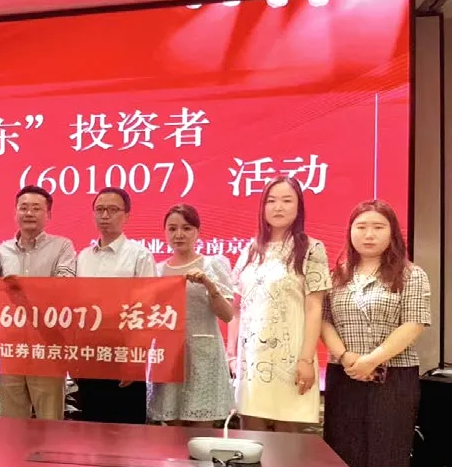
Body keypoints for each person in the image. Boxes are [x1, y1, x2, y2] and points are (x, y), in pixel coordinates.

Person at [321, 200, 431, 467]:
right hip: (344, 374)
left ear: (392, 232)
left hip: (394, 377)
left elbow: (414, 323)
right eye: (361, 227)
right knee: (342, 456)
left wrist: (371, 360)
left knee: (387, 457)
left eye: (378, 227)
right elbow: (324, 321)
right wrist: (346, 357)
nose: (369, 234)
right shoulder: (336, 275)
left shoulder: (411, 274)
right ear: (350, 232)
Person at [228, 175, 329, 432]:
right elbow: (236, 308)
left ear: (299, 207)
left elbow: (314, 308)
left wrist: (306, 360)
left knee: (288, 445)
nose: (278, 207)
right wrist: (231, 355)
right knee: (250, 443)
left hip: (291, 363)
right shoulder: (251, 249)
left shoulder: (311, 249)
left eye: (287, 200)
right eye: (271, 201)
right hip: (251, 365)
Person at [74, 187, 157, 424]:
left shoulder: (140, 255)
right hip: (90, 354)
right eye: (100, 209)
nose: (105, 215)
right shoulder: (83, 257)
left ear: (126, 215)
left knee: (126, 430)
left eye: (112, 210)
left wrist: (136, 357)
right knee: (91, 427)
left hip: (124, 353)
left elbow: (146, 310)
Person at [147, 204, 234, 426]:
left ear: (197, 231)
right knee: (171, 429)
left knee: (202, 430)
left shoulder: (212, 264)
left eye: (186, 228)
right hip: (169, 357)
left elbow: (227, 315)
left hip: (203, 356)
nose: (179, 234)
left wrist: (208, 284)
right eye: (172, 228)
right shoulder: (157, 270)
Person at [0, 185, 76, 420]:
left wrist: (24, 288)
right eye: (23, 208)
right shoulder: (1, 251)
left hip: (47, 346)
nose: (29, 213)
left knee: (50, 421)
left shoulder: (62, 246)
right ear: (15, 212)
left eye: (36, 208)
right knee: (10, 424)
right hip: (11, 346)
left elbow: (65, 286)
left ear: (48, 214)